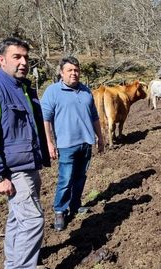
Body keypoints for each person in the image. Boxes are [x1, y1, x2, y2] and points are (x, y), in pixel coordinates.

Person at [0, 37, 50, 268]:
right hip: (13, 171)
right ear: (1, 59)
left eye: (26, 57)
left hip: (28, 165)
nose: (23, 62)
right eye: (17, 57)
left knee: (18, 220)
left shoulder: (23, 89)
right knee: (33, 221)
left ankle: (13, 265)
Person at [41, 56, 104, 232]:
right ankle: (60, 210)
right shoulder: (52, 91)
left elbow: (94, 117)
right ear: (62, 73)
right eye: (70, 70)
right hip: (66, 144)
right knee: (65, 178)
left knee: (80, 177)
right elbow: (45, 119)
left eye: (76, 70)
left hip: (86, 142)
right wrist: (49, 143)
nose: (74, 74)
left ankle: (75, 205)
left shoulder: (85, 91)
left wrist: (100, 137)